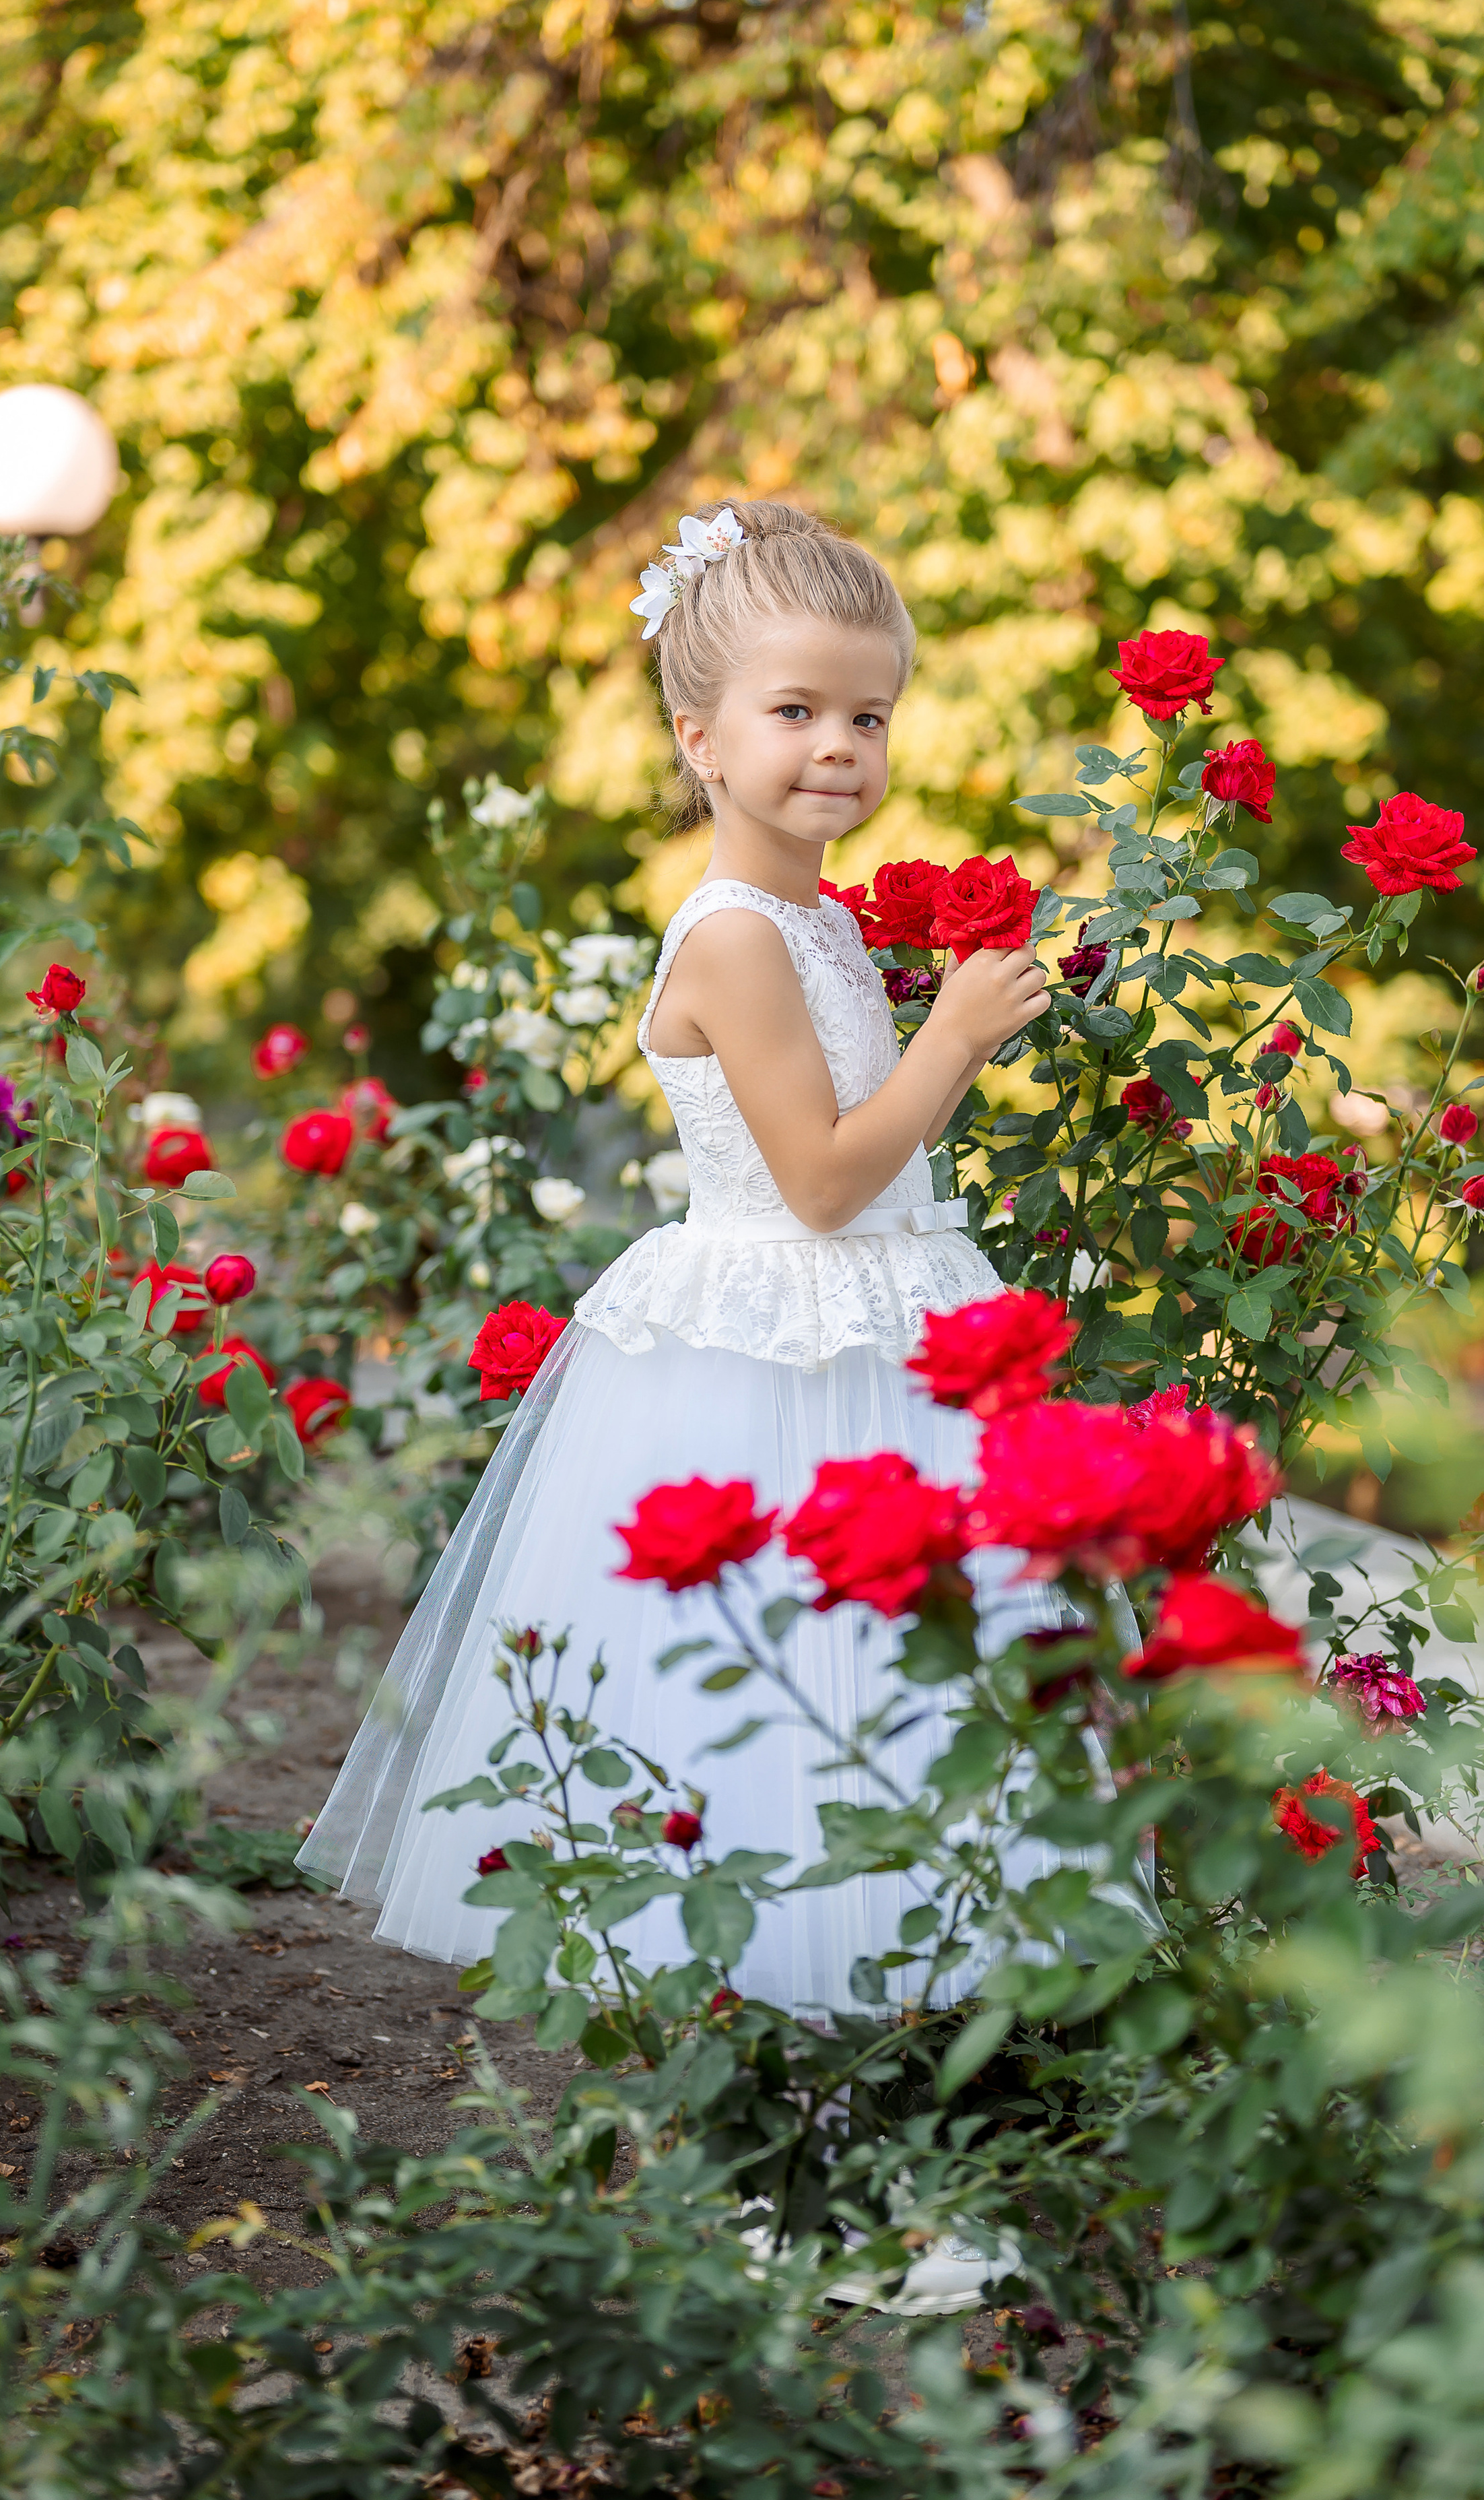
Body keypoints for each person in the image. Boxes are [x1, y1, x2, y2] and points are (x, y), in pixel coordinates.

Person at [297, 498, 1060, 2012]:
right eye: (795, 711)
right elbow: (828, 1179)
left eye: (868, 713)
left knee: (897, 1639)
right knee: (781, 1641)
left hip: (875, 1324)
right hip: (774, 1330)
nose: (838, 745)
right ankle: (777, 1963)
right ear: (699, 736)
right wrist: (954, 1039)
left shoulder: (819, 923)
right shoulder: (731, 939)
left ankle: (920, 1931)